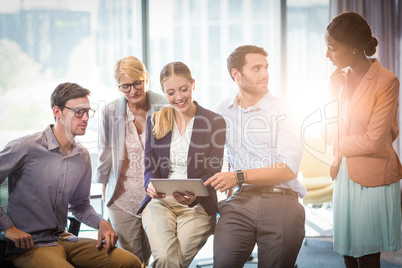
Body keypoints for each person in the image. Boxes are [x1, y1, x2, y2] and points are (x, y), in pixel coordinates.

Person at [0, 82, 141, 268]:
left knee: (130, 262)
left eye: (88, 112)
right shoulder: (25, 147)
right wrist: (8, 228)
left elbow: (80, 205)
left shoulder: (82, 155)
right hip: (30, 246)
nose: (85, 118)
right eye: (78, 112)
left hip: (64, 238)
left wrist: (101, 223)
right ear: (57, 112)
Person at [205, 45, 306, 268]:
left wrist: (238, 176)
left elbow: (288, 168)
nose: (265, 74)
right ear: (236, 74)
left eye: (266, 68)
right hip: (241, 202)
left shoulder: (285, 109)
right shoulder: (223, 109)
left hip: (282, 200)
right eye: (257, 68)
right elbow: (210, 154)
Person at [324, 12, 401, 268]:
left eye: (332, 48)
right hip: (345, 172)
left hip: (373, 174)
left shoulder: (386, 81)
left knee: (367, 256)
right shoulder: (339, 82)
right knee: (347, 252)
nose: (328, 55)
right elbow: (326, 134)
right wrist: (332, 94)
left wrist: (340, 140)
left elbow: (373, 141)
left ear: (354, 47)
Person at [137, 61, 226, 268]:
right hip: (160, 202)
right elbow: (149, 166)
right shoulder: (155, 121)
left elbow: (213, 170)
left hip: (198, 204)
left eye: (184, 89)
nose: (178, 97)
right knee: (167, 259)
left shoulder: (214, 121)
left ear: (193, 84)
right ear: (163, 92)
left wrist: (196, 193)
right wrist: (149, 183)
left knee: (166, 261)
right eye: (171, 92)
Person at [95, 55, 166, 264]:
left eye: (137, 83)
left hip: (157, 196)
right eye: (125, 86)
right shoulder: (109, 112)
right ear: (118, 86)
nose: (133, 91)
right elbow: (105, 156)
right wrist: (105, 196)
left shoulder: (164, 106)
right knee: (132, 260)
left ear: (146, 77)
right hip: (122, 198)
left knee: (161, 255)